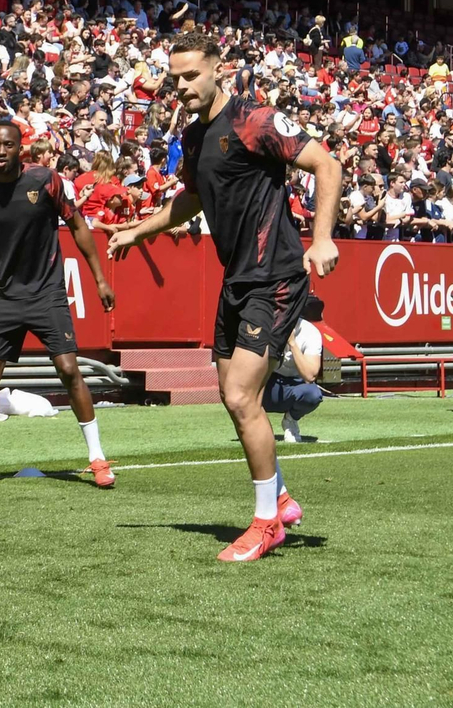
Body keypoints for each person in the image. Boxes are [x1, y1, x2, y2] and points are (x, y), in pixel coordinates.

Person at [109, 30, 342, 562]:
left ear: (220, 69)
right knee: (232, 396)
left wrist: (323, 237)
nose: (183, 86)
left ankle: (266, 523)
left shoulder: (254, 120)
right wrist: (138, 232)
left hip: (276, 275)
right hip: (236, 278)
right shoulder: (194, 138)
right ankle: (279, 498)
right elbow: (190, 199)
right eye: (175, 79)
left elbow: (327, 165)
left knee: (240, 396)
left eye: (192, 75)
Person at [0, 119, 117, 489]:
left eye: (8, 145)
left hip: (47, 293)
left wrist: (99, 278)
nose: (1, 151)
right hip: (4, 295)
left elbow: (78, 226)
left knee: (69, 370)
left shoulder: (45, 180)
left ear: (21, 149)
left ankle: (98, 458)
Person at [269, 296, 326, 445]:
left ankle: (291, 420)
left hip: (294, 384)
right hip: (268, 382)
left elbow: (310, 375)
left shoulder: (310, 332)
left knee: (312, 394)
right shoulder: (266, 326)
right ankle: (256, 426)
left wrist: (292, 343)